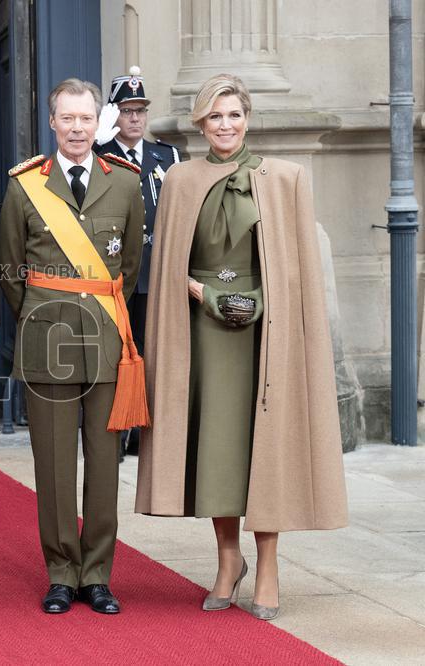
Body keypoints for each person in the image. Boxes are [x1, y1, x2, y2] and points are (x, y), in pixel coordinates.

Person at [135, 73, 348, 620]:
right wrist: (202, 297)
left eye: (233, 114)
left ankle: (269, 565)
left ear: (248, 119)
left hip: (265, 334)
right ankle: (228, 559)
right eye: (214, 116)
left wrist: (240, 301)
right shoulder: (180, 180)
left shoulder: (286, 178)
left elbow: (295, 272)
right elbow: (169, 266)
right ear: (200, 123)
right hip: (202, 339)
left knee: (265, 448)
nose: (225, 125)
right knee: (218, 450)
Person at [0, 78, 146, 615]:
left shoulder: (124, 183)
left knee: (104, 465)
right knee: (56, 466)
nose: (77, 128)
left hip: (105, 341)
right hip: (48, 341)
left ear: (98, 122)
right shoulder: (25, 186)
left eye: (86, 118)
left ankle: (97, 575)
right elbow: (11, 269)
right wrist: (44, 316)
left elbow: (128, 268)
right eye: (68, 118)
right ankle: (62, 573)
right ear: (53, 122)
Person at [94, 67, 181, 458]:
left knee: (150, 353)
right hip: (115, 273)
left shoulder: (168, 155)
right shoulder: (99, 154)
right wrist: (96, 145)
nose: (135, 118)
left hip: (155, 271)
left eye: (140, 110)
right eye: (127, 111)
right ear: (114, 114)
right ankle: (116, 430)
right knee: (115, 353)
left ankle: (147, 428)